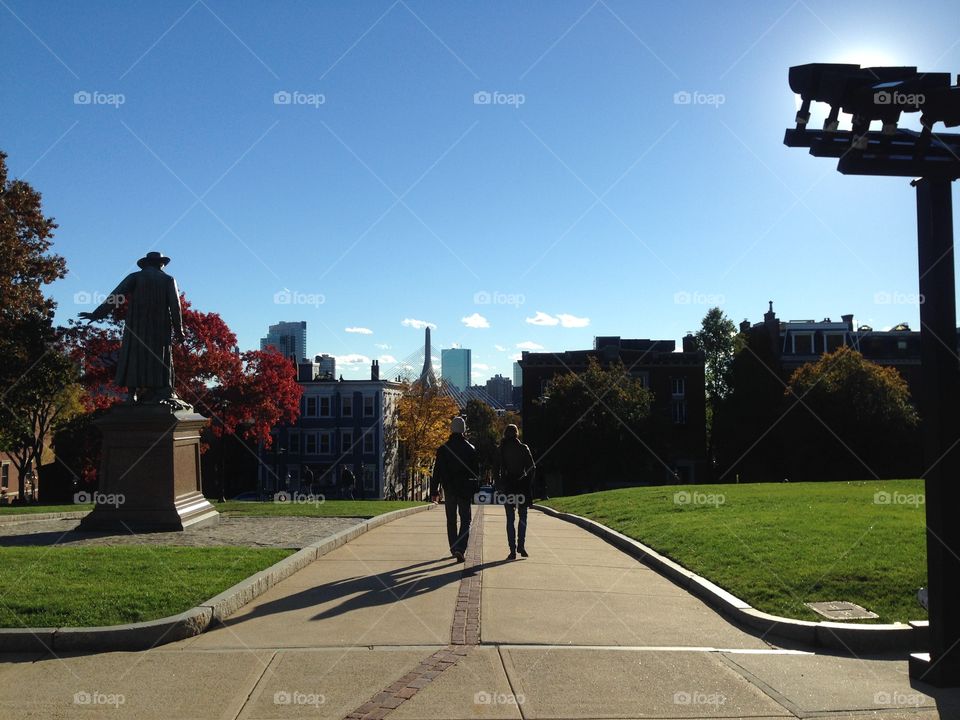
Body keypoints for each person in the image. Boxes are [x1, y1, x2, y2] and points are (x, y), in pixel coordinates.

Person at [79, 251, 186, 406]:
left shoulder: (135, 277)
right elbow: (175, 307)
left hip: (137, 325)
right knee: (159, 358)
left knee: (134, 355)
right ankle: (161, 389)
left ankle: (131, 394)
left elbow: (115, 297)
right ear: (160, 263)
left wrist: (97, 314)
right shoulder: (168, 279)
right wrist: (179, 331)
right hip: (160, 328)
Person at [430, 417, 479, 562]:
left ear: (451, 429)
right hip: (464, 489)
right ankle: (460, 548)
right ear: (463, 430)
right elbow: (475, 473)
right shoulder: (471, 449)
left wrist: (434, 490)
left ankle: (453, 547)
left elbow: (436, 471)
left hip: (449, 488)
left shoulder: (443, 449)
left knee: (451, 520)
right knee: (465, 519)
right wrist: (475, 489)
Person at [497, 424, 535, 560]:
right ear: (517, 434)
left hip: (509, 486)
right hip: (522, 486)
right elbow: (532, 468)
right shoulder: (524, 448)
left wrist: (500, 486)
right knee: (523, 517)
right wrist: (528, 482)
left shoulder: (502, 449)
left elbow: (499, 470)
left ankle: (512, 550)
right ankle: (522, 545)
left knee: (510, 519)